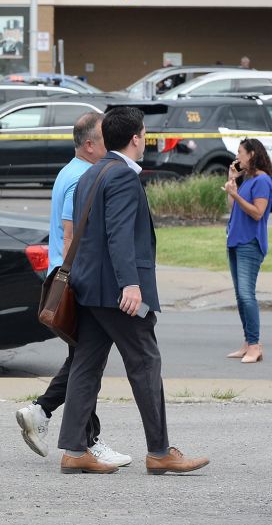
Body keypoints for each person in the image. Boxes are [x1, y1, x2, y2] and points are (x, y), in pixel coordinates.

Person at [56, 106, 209, 475]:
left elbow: (83, 233)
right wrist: (131, 284)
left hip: (89, 288)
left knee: (86, 365)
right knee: (146, 363)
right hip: (117, 293)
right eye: (144, 133)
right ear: (136, 137)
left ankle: (75, 449)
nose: (145, 139)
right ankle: (159, 452)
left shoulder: (91, 172)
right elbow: (119, 234)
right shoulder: (122, 176)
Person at [14, 111, 129, 467]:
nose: (112, 144)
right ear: (90, 145)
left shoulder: (72, 171)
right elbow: (70, 234)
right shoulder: (83, 178)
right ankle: (85, 441)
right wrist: (80, 282)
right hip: (76, 281)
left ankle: (43, 413)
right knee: (86, 363)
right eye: (105, 139)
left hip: (68, 278)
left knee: (82, 359)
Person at [224, 138, 272, 363]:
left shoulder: (262, 180)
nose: (237, 157)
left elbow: (257, 212)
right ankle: (248, 343)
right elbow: (231, 207)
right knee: (240, 296)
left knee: (247, 294)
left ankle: (255, 345)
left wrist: (235, 195)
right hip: (235, 241)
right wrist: (232, 183)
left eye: (240, 153)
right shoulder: (247, 180)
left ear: (252, 154)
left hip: (250, 243)